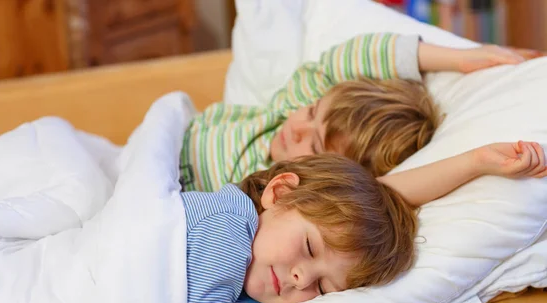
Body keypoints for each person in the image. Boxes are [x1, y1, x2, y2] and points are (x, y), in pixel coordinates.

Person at [178, 140, 547, 303]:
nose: (301, 277)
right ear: (278, 193)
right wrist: (474, 160)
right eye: (308, 247)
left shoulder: (251, 277)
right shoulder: (225, 226)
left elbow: (373, 200)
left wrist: (476, 164)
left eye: (322, 287)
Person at [180, 32, 542, 191]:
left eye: (316, 147)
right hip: (173, 138)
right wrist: (459, 58)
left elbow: (384, 190)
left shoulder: (276, 189)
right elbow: (351, 56)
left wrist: (475, 161)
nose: (298, 130)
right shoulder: (286, 109)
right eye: (311, 112)